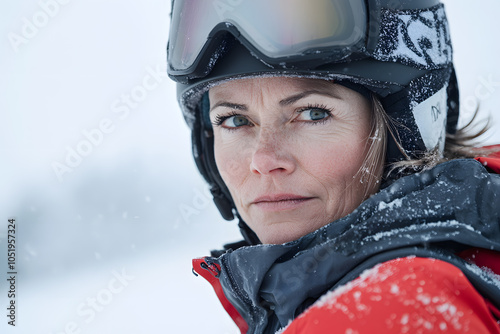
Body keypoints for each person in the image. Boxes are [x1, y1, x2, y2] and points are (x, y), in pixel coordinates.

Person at [167, 0, 500, 332]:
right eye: (235, 120)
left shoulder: (385, 313)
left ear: (406, 134)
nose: (264, 161)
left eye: (313, 113)